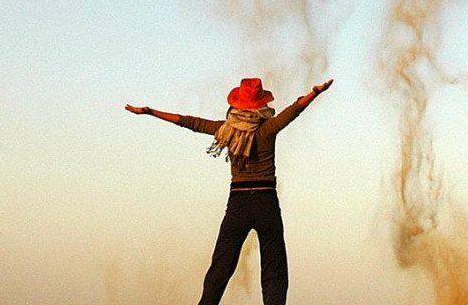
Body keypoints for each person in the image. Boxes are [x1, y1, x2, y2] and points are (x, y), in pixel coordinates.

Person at [125, 76, 333, 305]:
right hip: (266, 203)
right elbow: (294, 110)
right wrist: (315, 93)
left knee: (221, 266)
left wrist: (150, 111)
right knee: (274, 268)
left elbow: (190, 122)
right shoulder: (268, 129)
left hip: (238, 205)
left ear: (236, 105)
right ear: (261, 104)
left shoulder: (226, 130)